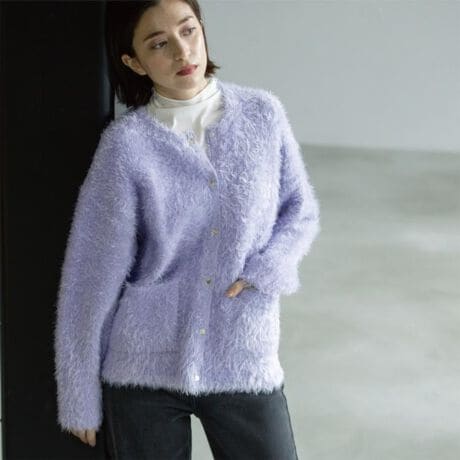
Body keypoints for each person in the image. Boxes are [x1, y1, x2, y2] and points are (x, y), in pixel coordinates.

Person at [53, 0, 321, 458]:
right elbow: (89, 275)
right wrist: (78, 395)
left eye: (188, 30)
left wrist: (267, 270)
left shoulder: (262, 115)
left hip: (242, 352)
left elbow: (300, 211)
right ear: (134, 62)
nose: (182, 51)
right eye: (159, 43)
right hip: (142, 369)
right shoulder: (126, 146)